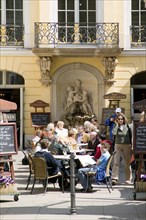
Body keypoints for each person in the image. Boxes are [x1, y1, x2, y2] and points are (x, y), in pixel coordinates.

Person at [111, 113, 132, 185]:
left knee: (127, 162)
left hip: (126, 145)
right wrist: (117, 125)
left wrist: (130, 144)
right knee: (116, 162)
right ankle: (114, 178)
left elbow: (130, 135)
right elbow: (113, 133)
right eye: (119, 119)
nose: (120, 120)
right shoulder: (116, 126)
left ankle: (128, 179)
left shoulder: (127, 126)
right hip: (118, 145)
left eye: (121, 119)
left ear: (124, 119)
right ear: (117, 120)